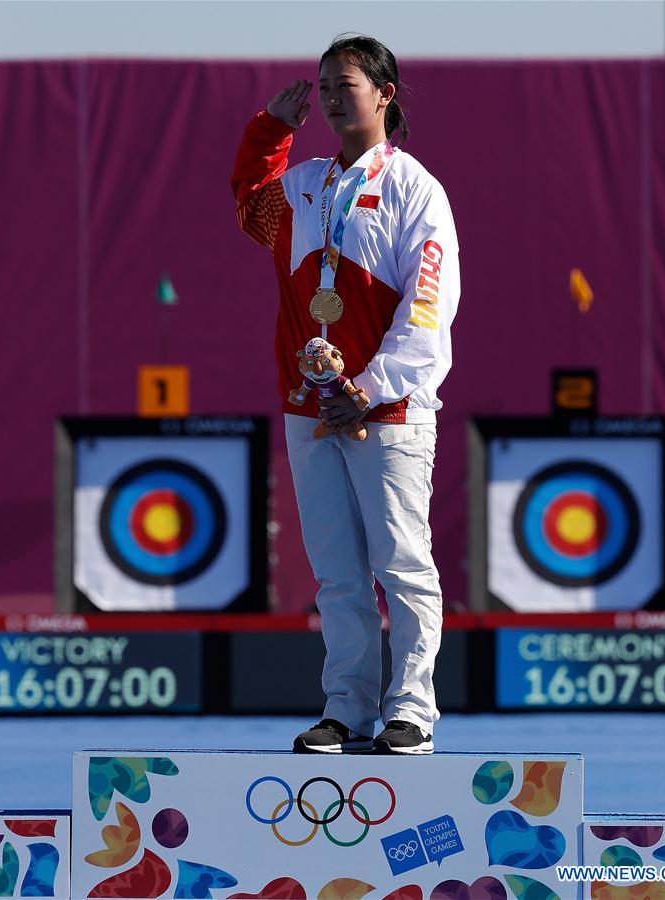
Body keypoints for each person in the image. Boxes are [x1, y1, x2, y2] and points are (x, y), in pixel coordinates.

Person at [232, 35, 460, 754]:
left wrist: (367, 388)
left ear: (385, 94)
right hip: (311, 408)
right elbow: (250, 208)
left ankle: (412, 712)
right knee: (336, 576)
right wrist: (270, 128)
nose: (332, 95)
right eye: (325, 84)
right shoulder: (303, 184)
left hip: (385, 413)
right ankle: (347, 709)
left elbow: (426, 307)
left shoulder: (414, 189)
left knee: (401, 564)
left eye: (347, 83)